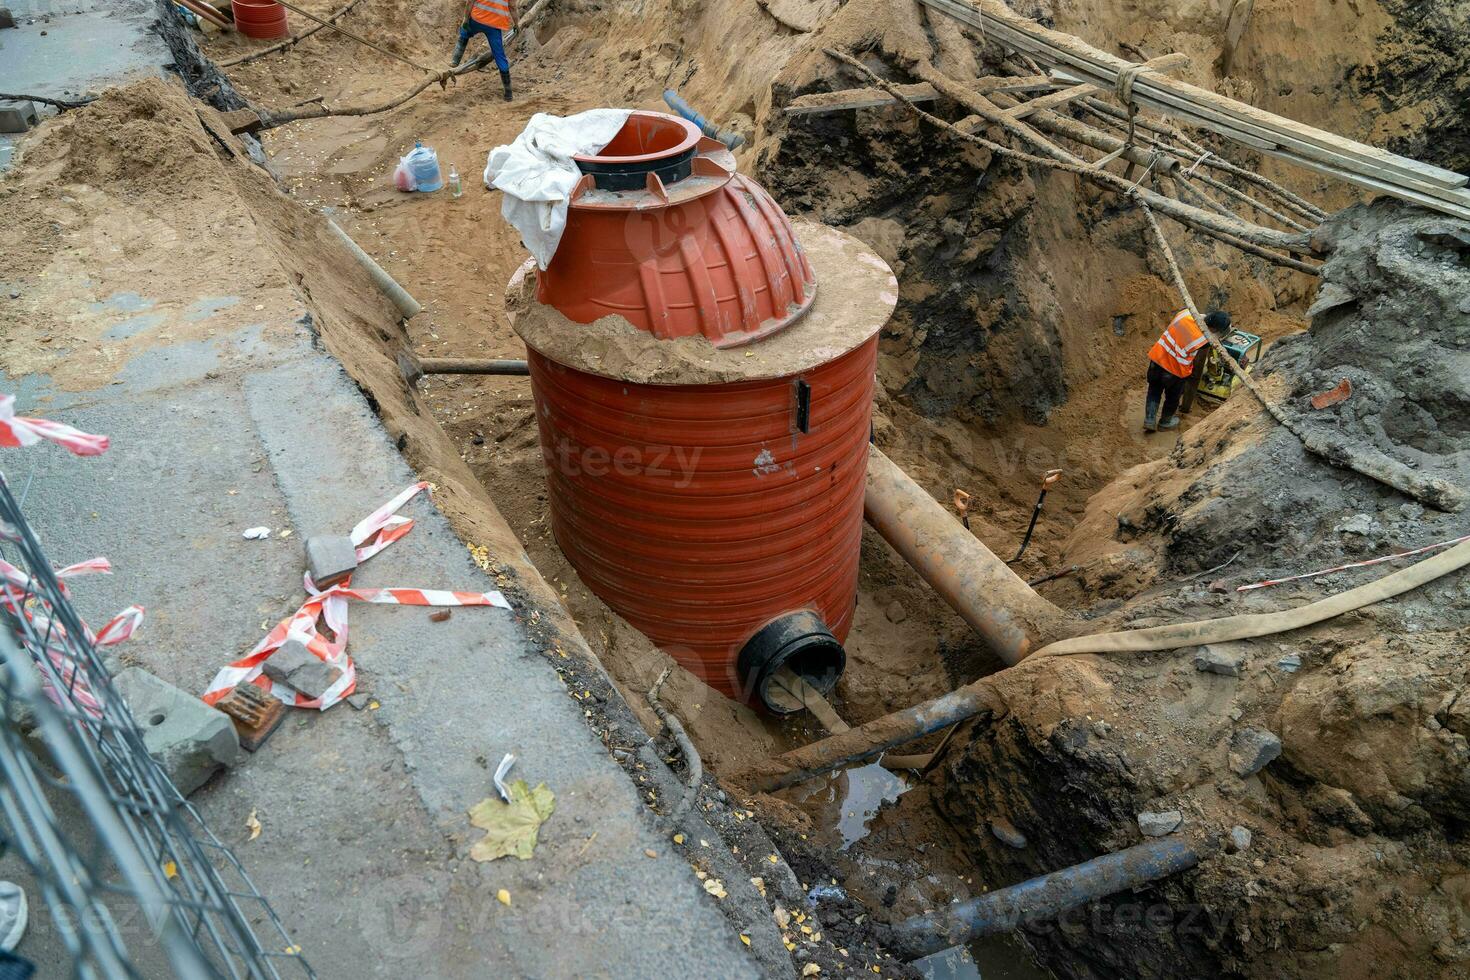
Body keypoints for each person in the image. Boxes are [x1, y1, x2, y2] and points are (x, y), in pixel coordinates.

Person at [1144, 308, 1231, 432]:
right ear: (1214, 329)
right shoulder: (1204, 340)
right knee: (1172, 397)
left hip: (1157, 358)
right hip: (1175, 371)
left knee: (1154, 390)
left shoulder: (1185, 313)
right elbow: (1211, 339)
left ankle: (1149, 420)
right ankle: (1165, 422)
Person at [450, 0, 517, 101]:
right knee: (500, 56)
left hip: (477, 19)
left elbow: (470, 2)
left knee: (464, 31)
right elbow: (512, 7)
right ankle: (508, 94)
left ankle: (455, 60)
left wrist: (465, 19)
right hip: (495, 25)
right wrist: (517, 24)